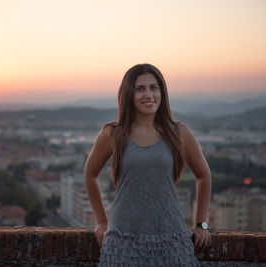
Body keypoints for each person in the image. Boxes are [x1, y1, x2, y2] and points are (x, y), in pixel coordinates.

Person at [84, 63, 212, 266]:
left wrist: (200, 224)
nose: (149, 94)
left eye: (154, 87)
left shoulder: (179, 132)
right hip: (123, 238)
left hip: (170, 237)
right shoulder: (113, 133)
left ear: (162, 92)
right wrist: (101, 220)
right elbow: (90, 174)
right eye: (140, 88)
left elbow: (203, 175)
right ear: (128, 94)